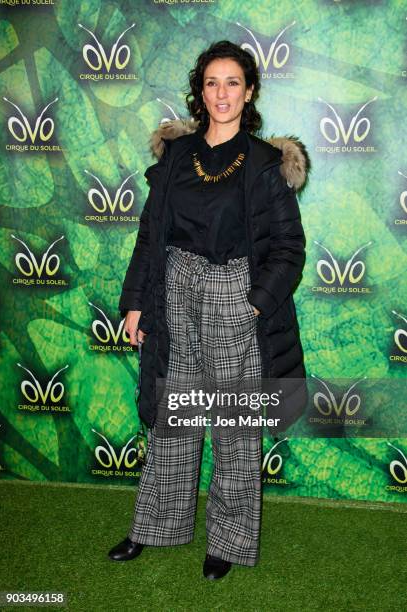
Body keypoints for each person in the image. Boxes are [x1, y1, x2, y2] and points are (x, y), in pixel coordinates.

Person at [108, 40, 310, 580]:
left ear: (249, 93)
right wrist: (134, 305)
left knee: (233, 427)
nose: (222, 93)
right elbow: (150, 235)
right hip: (174, 290)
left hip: (234, 296)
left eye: (233, 83)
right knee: (175, 418)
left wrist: (252, 304)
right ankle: (156, 526)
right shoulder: (175, 156)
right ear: (201, 92)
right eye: (212, 83)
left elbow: (290, 248)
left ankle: (228, 540)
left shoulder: (265, 164)